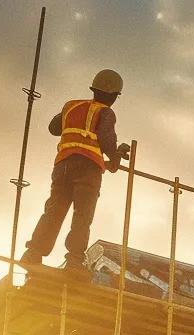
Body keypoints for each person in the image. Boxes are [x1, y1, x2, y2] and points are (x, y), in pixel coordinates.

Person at [20, 68, 131, 277]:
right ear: (114, 95)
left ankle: (33, 252)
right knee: (82, 216)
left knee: (53, 211)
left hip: (62, 166)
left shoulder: (72, 105)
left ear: (94, 88)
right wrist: (117, 155)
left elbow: (54, 128)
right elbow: (106, 140)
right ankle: (74, 261)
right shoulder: (106, 112)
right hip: (87, 171)